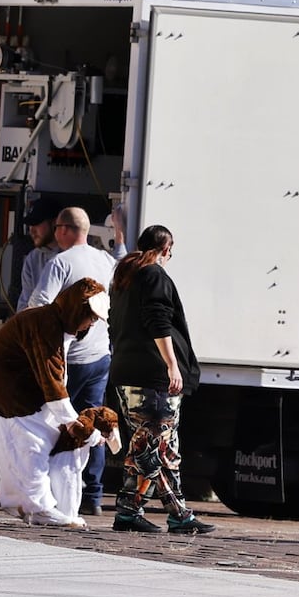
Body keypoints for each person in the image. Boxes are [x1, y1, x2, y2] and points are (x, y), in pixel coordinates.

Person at [0, 278, 118, 527]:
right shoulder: (46, 325)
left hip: (17, 389)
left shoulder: (52, 322)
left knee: (33, 443)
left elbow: (53, 376)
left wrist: (67, 418)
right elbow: (51, 378)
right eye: (92, 316)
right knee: (32, 445)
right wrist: (72, 421)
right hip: (12, 392)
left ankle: (28, 502)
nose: (93, 322)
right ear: (79, 310)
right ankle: (39, 507)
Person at [107, 225, 214, 535]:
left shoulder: (124, 276)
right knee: (154, 449)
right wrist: (172, 365)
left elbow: (115, 324)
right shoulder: (153, 275)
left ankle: (151, 513)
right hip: (151, 376)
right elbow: (158, 320)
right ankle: (162, 514)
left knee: (154, 448)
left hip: (128, 373)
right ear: (167, 248)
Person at [29, 207, 117, 515]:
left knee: (51, 424)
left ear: (65, 230)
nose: (54, 235)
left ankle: (49, 493)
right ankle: (92, 496)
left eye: (56, 229)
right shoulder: (105, 260)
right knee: (94, 424)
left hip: (70, 359)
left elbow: (38, 305)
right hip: (100, 357)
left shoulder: (60, 262)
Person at [14, 198, 61, 310]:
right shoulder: (32, 259)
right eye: (30, 225)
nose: (32, 230)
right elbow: (24, 306)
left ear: (55, 222)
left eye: (37, 223)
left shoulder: (72, 256)